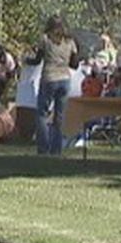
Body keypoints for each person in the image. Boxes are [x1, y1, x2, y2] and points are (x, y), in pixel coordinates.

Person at [26, 15, 78, 156]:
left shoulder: (45, 39)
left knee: (42, 114)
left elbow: (37, 60)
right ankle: (57, 150)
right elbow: (75, 64)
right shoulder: (70, 41)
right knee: (59, 116)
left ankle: (43, 149)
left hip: (49, 78)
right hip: (65, 80)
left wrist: (26, 60)